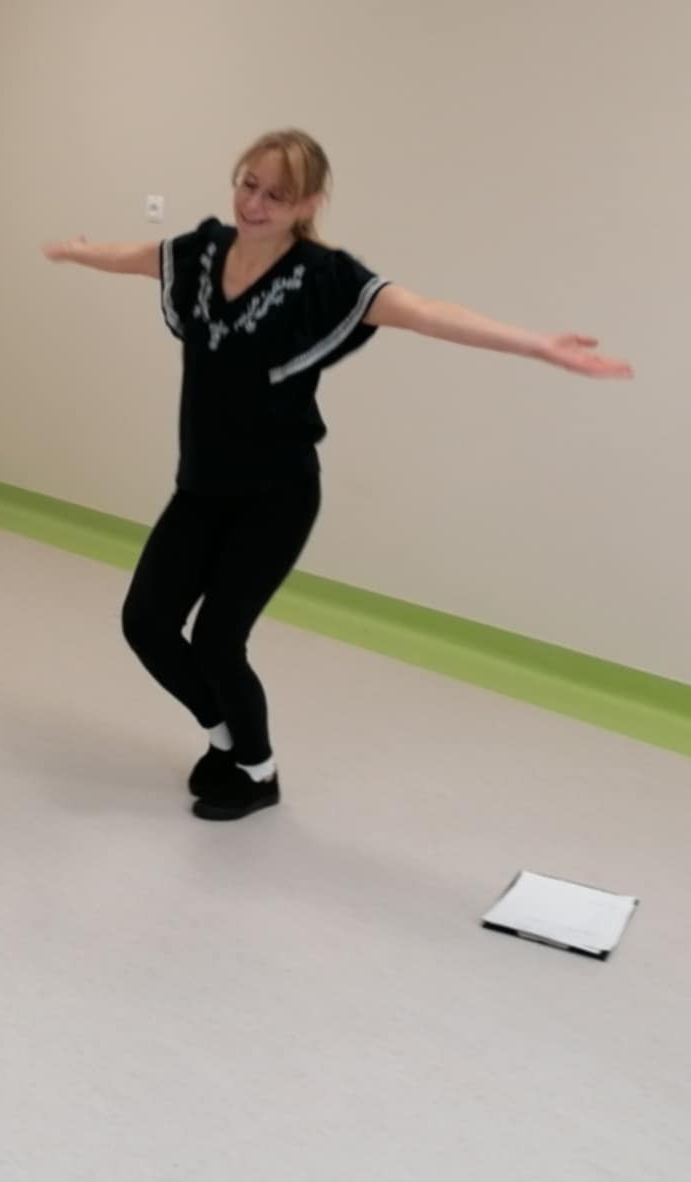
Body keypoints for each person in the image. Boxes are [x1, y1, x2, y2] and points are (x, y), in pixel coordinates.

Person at [43, 129, 633, 820]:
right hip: (201, 486)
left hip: (277, 494)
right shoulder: (202, 253)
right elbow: (137, 257)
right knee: (146, 622)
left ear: (308, 204)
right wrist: (80, 251)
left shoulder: (323, 279)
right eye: (248, 184)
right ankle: (224, 736)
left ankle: (258, 774)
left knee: (218, 641)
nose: (254, 203)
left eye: (277, 195)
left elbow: (425, 313)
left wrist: (536, 344)